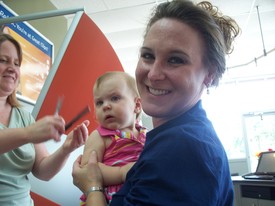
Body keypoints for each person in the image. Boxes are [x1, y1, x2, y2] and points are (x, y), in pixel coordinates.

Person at [72, 0, 240, 205]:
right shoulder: (172, 137)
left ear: (209, 74)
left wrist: (92, 186)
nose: (153, 74)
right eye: (148, 56)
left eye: (175, 59)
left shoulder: (182, 147)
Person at [0, 32, 89, 206]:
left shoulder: (24, 116)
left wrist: (66, 148)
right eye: (3, 60)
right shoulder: (28, 129)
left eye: (16, 63)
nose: (12, 68)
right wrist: (29, 133)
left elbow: (42, 171)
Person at [79, 71, 146, 205]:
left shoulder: (146, 134)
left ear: (137, 105)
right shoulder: (100, 136)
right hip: (106, 197)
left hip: (140, 192)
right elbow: (87, 169)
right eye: (99, 102)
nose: (106, 106)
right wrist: (121, 173)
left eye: (114, 98)